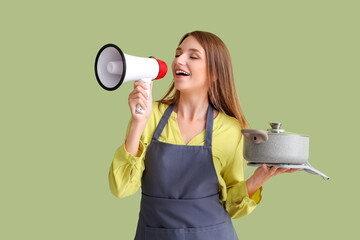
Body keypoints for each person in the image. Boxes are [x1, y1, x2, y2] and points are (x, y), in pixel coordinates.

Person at [108, 31, 299, 240]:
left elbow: (233, 207)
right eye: (178, 54)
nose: (179, 60)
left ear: (214, 72)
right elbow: (121, 188)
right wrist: (138, 123)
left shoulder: (230, 129)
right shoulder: (148, 115)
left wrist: (258, 180)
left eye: (193, 56)